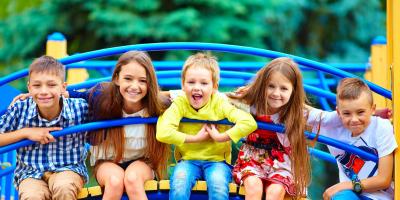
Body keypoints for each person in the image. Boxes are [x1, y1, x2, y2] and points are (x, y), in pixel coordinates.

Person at [68, 51, 170, 200]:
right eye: (128, 79)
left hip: (142, 161)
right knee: (115, 181)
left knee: (133, 179)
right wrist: (35, 95)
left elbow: (188, 96)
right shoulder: (102, 96)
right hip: (107, 162)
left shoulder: (157, 105)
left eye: (142, 81)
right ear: (116, 78)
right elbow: (69, 94)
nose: (134, 86)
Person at [156, 52, 257, 200]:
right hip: (188, 160)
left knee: (217, 184)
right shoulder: (180, 103)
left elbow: (249, 122)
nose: (197, 88)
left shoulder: (220, 103)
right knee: (179, 182)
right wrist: (194, 138)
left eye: (204, 83)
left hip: (217, 161)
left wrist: (221, 137)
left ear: (214, 87)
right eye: (191, 82)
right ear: (183, 85)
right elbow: (162, 132)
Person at [0, 55, 88, 200]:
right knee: (32, 196)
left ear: (63, 87)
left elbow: (106, 104)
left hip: (68, 168)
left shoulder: (79, 108)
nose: (43, 91)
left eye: (51, 85)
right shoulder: (20, 109)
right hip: (30, 173)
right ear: (29, 87)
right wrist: (24, 133)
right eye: (37, 85)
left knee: (64, 187)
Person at [228, 57, 311, 199]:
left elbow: (328, 119)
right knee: (254, 186)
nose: (276, 93)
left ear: (293, 91)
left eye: (284, 88)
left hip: (282, 165)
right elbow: (217, 98)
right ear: (263, 85)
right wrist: (179, 95)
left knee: (275, 191)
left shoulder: (297, 112)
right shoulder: (251, 104)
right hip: (253, 160)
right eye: (271, 86)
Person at [306, 78, 397, 200]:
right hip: (351, 195)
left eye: (360, 112)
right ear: (338, 112)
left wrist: (342, 186)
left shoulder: (380, 127)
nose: (354, 119)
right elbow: (299, 111)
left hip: (378, 197)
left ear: (373, 109)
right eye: (347, 113)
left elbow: (383, 180)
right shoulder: (332, 129)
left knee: (340, 193)